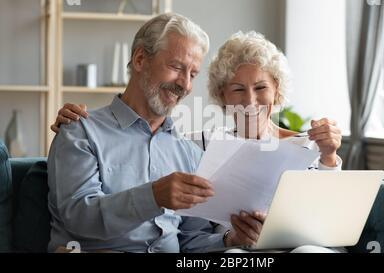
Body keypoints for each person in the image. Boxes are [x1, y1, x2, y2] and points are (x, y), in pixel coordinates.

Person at [52, 30, 344, 252]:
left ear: (277, 91)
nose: (251, 100)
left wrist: (329, 157)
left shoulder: (307, 145)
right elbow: (195, 230)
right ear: (223, 96)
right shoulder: (197, 145)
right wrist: (78, 125)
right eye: (238, 89)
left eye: (260, 88)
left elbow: (331, 219)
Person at [47, 13, 261, 253]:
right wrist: (152, 197)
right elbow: (78, 217)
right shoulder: (80, 131)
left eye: (192, 74)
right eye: (176, 67)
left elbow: (190, 238)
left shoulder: (188, 152)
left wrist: (230, 240)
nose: (185, 85)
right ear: (140, 59)